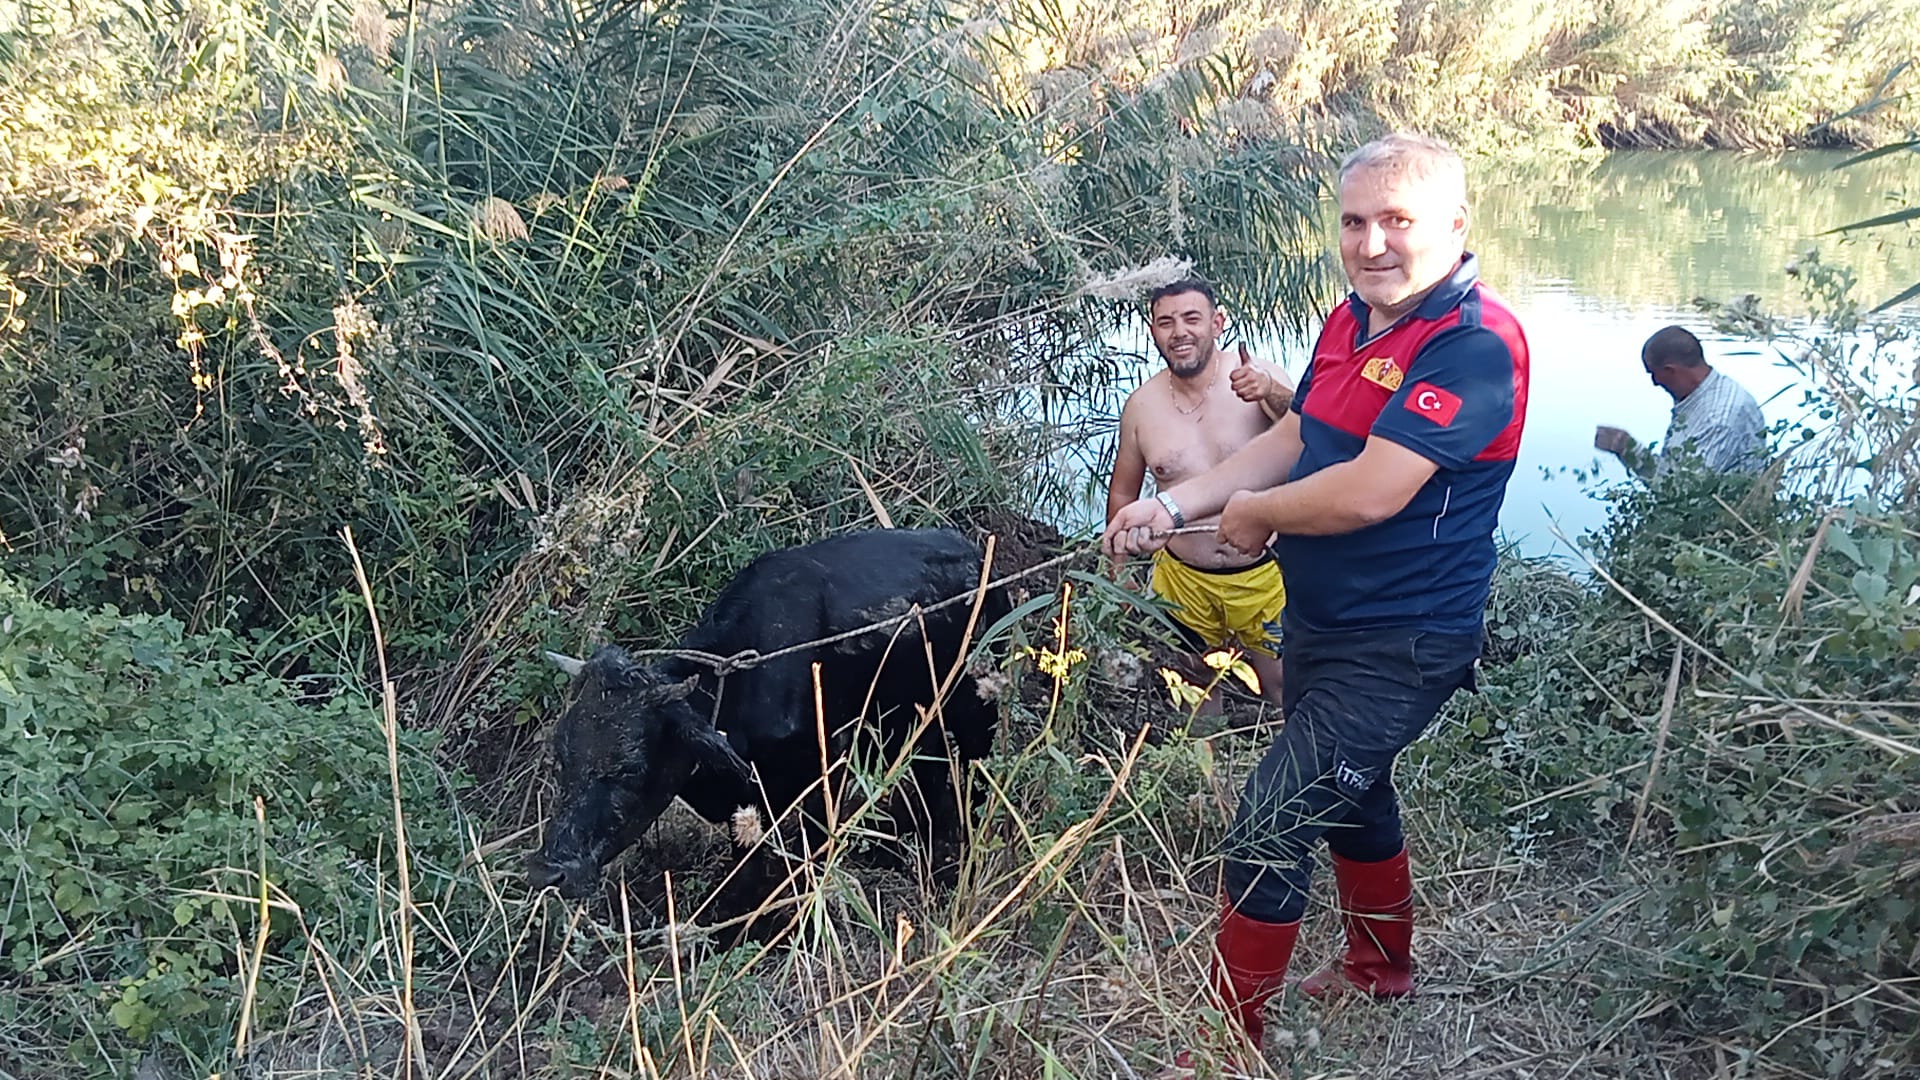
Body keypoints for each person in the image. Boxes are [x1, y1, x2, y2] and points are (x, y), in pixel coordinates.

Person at [1103, 133, 1530, 1055]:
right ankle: (1380, 969)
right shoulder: (1352, 321)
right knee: (1354, 790)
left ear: (1456, 226)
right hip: (1323, 621)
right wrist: (1172, 505)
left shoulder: (1474, 345)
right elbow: (1296, 437)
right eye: (1353, 222)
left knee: (1270, 820)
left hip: (1403, 638)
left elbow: (1373, 489)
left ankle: (1228, 1047)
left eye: (1397, 221)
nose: (1371, 244)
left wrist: (1257, 515)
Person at [1105, 276, 1295, 708]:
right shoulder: (1141, 406)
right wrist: (1119, 574)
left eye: (1192, 318)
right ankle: (1203, 753)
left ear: (1217, 322)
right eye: (1166, 322)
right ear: (1153, 331)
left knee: (1283, 684)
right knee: (1194, 689)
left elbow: (1313, 434)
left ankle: (1289, 751)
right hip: (1183, 579)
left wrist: (1270, 392)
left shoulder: (1259, 378)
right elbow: (1122, 496)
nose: (1180, 332)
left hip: (1265, 574)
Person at [1595, 325, 1766, 478]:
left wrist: (1629, 449)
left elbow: (1686, 493)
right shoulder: (1705, 393)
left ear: (1671, 371)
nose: (1655, 382)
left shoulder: (1718, 419)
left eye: (1653, 373)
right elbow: (1677, 476)